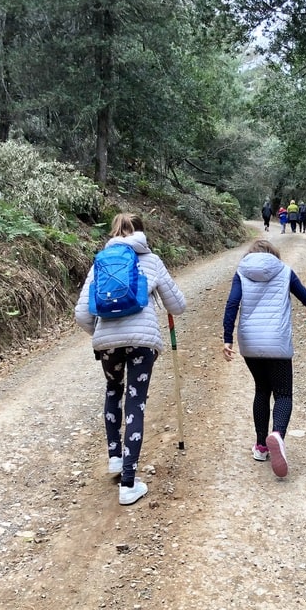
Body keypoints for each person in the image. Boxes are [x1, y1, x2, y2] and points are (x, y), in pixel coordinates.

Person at [74, 213, 186, 505]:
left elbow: (82, 314)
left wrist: (102, 334)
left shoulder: (101, 261)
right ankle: (128, 483)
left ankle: (114, 456)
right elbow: (178, 305)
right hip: (142, 343)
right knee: (136, 404)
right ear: (142, 233)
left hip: (108, 343)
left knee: (113, 390)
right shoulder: (150, 259)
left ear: (114, 232)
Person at [222, 239, 306, 478]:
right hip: (277, 342)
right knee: (283, 393)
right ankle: (277, 434)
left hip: (250, 343)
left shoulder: (242, 272)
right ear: (274, 255)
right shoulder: (284, 271)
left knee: (261, 389)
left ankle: (261, 446)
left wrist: (227, 338)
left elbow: (232, 304)